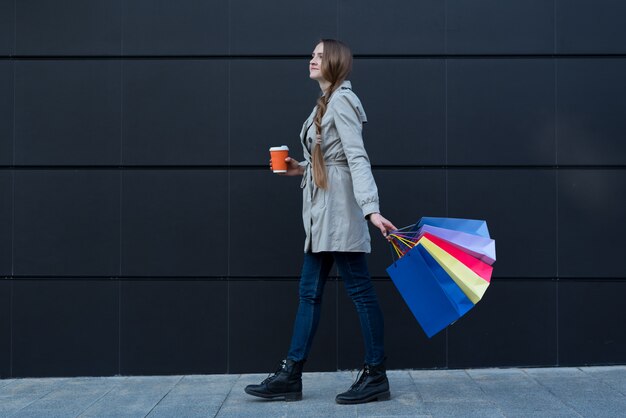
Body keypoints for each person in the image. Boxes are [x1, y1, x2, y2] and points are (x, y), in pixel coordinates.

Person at [245, 39, 396, 405]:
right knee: (309, 293)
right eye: (311, 54)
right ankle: (291, 374)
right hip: (321, 214)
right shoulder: (324, 103)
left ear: (335, 63)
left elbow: (357, 158)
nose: (312, 59)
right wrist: (298, 168)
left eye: (319, 55)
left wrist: (371, 209)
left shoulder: (342, 101)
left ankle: (376, 374)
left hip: (341, 211)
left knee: (358, 292)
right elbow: (328, 157)